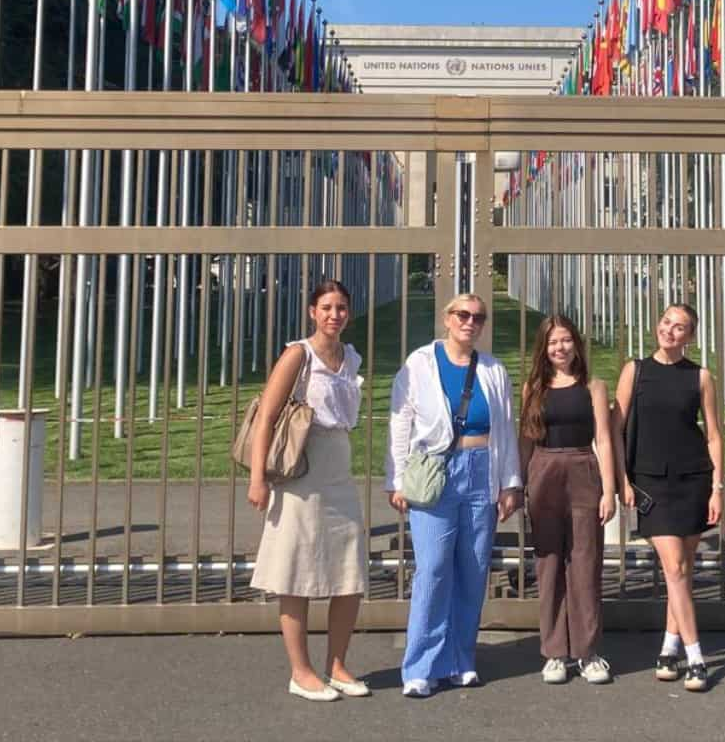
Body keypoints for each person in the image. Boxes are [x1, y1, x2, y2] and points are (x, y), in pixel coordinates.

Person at [386, 293, 523, 698]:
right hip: (435, 472)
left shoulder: (493, 370)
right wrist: (395, 479)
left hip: (482, 470)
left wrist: (510, 482)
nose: (470, 322)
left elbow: (507, 428)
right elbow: (400, 422)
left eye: (478, 317)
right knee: (433, 569)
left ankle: (461, 658)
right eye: (463, 314)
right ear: (447, 318)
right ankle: (421, 665)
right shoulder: (420, 363)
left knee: (474, 568)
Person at [246, 278, 370, 703]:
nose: (334, 315)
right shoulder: (298, 354)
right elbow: (266, 417)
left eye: (341, 308)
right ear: (312, 312)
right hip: (300, 468)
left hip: (339, 467)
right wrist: (258, 477)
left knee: (349, 574)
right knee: (294, 572)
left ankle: (337, 664)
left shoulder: (350, 357)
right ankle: (301, 671)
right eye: (327, 307)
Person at [615, 302, 723, 692]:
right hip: (651, 483)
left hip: (693, 480)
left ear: (690, 336)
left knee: (682, 572)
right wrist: (621, 480)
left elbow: (713, 435)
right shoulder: (635, 370)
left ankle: (668, 647)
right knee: (675, 568)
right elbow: (616, 427)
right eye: (666, 322)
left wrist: (717, 487)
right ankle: (696, 657)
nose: (670, 331)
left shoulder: (701, 377)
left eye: (680, 327)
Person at [519, 315, 616, 686]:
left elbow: (604, 440)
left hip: (582, 469)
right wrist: (519, 481)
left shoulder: (594, 386)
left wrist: (608, 490)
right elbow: (526, 438)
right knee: (548, 563)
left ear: (576, 343)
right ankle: (555, 652)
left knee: (586, 562)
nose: (560, 348)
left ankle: (588, 653)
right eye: (552, 342)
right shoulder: (534, 387)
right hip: (544, 470)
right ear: (544, 348)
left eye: (566, 340)